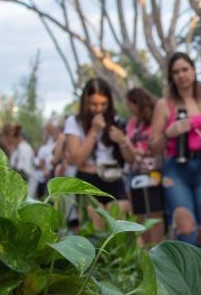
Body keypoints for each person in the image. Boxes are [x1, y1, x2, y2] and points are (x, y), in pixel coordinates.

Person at [149, 52, 201, 251]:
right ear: (171, 77)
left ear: (193, 71)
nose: (181, 75)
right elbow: (153, 146)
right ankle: (187, 281)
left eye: (185, 69)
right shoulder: (163, 105)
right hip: (176, 169)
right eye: (176, 72)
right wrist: (168, 133)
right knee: (187, 232)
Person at [64, 78, 133, 219]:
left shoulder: (116, 121)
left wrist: (123, 141)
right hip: (88, 178)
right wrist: (93, 131)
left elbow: (131, 159)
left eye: (103, 104)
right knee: (95, 230)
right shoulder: (74, 122)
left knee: (119, 229)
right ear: (85, 102)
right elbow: (78, 160)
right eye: (93, 104)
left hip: (113, 177)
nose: (98, 109)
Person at [125, 87, 165, 244]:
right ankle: (146, 251)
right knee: (139, 213)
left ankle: (158, 249)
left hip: (154, 171)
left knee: (155, 213)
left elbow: (159, 143)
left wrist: (145, 152)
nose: (128, 108)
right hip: (135, 172)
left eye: (130, 104)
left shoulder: (156, 118)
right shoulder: (132, 123)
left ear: (137, 103)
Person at [3, 123, 38, 198]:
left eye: (8, 137)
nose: (8, 141)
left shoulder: (25, 148)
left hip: (27, 187)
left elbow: (25, 171)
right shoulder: (16, 149)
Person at [34, 119, 61, 199]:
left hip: (54, 174)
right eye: (48, 130)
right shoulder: (49, 142)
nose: (49, 132)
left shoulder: (60, 139)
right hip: (45, 176)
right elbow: (42, 160)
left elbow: (54, 160)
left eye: (51, 129)